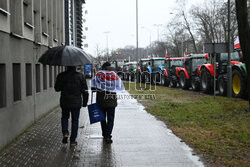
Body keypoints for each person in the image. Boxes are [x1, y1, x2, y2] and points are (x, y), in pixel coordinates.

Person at [55, 66, 89, 146]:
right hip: (76, 102)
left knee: (64, 118)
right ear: (75, 67)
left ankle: (65, 133)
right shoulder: (81, 76)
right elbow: (85, 91)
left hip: (65, 101)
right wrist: (85, 102)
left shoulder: (61, 75)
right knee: (75, 120)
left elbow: (57, 88)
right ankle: (73, 140)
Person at [92, 62, 119, 144]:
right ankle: (108, 135)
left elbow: (93, 88)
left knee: (102, 119)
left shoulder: (98, 75)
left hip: (101, 102)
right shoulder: (114, 75)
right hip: (111, 101)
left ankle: (105, 134)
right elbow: (118, 86)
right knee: (110, 119)